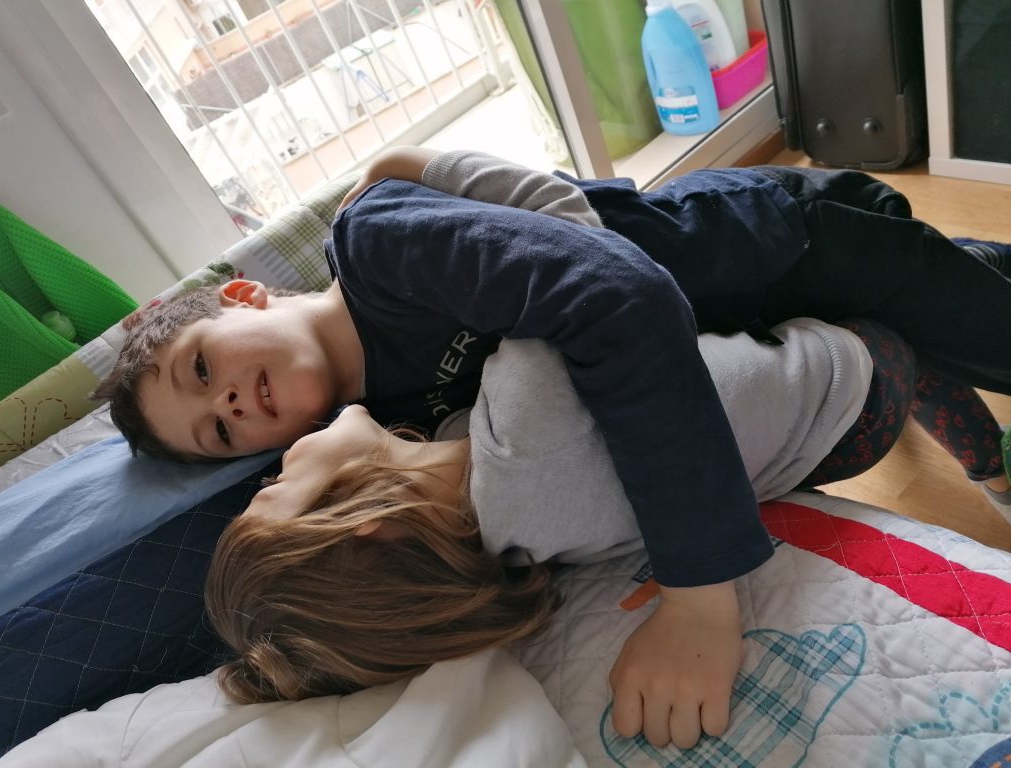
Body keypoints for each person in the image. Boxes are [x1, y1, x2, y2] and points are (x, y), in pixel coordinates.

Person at [95, 147, 1011, 747]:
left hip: (777, 249)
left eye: (203, 366)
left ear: (243, 297)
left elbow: (610, 283)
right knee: (944, 327)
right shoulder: (400, 416)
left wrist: (701, 595)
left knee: (980, 319)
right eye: (221, 432)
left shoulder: (375, 247)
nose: (228, 402)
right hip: (774, 350)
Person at [205, 313, 1009, 750]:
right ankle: (994, 472)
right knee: (916, 350)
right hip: (848, 381)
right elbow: (572, 265)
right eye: (273, 491)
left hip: (793, 458)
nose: (277, 462)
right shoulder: (524, 422)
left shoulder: (512, 540)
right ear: (370, 528)